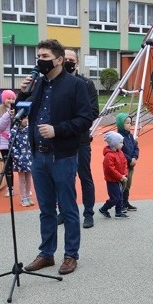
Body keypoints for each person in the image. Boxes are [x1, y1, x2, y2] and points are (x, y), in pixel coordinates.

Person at [19, 39, 94, 276]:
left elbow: (85, 119)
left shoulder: (76, 85)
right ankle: (46, 253)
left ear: (59, 60)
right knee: (46, 209)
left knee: (69, 208)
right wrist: (24, 91)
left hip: (62, 156)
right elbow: (24, 110)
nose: (39, 60)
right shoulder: (39, 84)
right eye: (38, 56)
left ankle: (71, 254)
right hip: (39, 156)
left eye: (44, 57)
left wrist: (57, 130)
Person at [63, 49, 99, 229]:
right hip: (60, 140)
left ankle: (88, 213)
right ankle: (64, 211)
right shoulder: (55, 83)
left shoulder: (87, 84)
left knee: (85, 176)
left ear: (76, 63)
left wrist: (71, 125)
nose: (68, 62)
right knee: (63, 178)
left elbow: (93, 112)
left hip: (81, 139)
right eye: (65, 59)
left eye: (71, 60)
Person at [98, 131, 129, 218]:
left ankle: (118, 212)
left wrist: (125, 174)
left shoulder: (120, 152)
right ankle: (104, 208)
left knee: (120, 196)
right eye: (120, 142)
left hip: (120, 178)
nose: (122, 144)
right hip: (112, 180)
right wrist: (120, 176)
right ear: (114, 144)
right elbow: (110, 170)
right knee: (115, 198)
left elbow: (124, 163)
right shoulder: (109, 156)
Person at [0, 89, 16, 196]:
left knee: (23, 166)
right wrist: (8, 115)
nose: (11, 101)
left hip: (17, 142)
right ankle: (10, 187)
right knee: (8, 166)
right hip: (5, 144)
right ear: (4, 99)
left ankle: (25, 188)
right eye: (8, 98)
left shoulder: (18, 110)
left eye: (12, 99)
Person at [116, 113, 139, 211]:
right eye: (127, 123)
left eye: (130, 123)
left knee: (128, 184)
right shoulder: (118, 137)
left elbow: (136, 147)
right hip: (123, 165)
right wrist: (130, 160)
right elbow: (120, 151)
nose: (130, 125)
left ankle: (125, 202)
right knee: (123, 184)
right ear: (121, 124)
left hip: (131, 165)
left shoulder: (130, 136)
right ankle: (120, 204)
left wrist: (135, 157)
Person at [11, 115, 35, 207]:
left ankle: (28, 196)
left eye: (27, 118)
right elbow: (11, 146)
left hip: (29, 158)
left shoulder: (29, 130)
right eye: (24, 119)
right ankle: (23, 198)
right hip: (19, 159)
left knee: (29, 178)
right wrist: (17, 157)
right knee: (21, 179)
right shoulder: (14, 131)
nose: (26, 120)